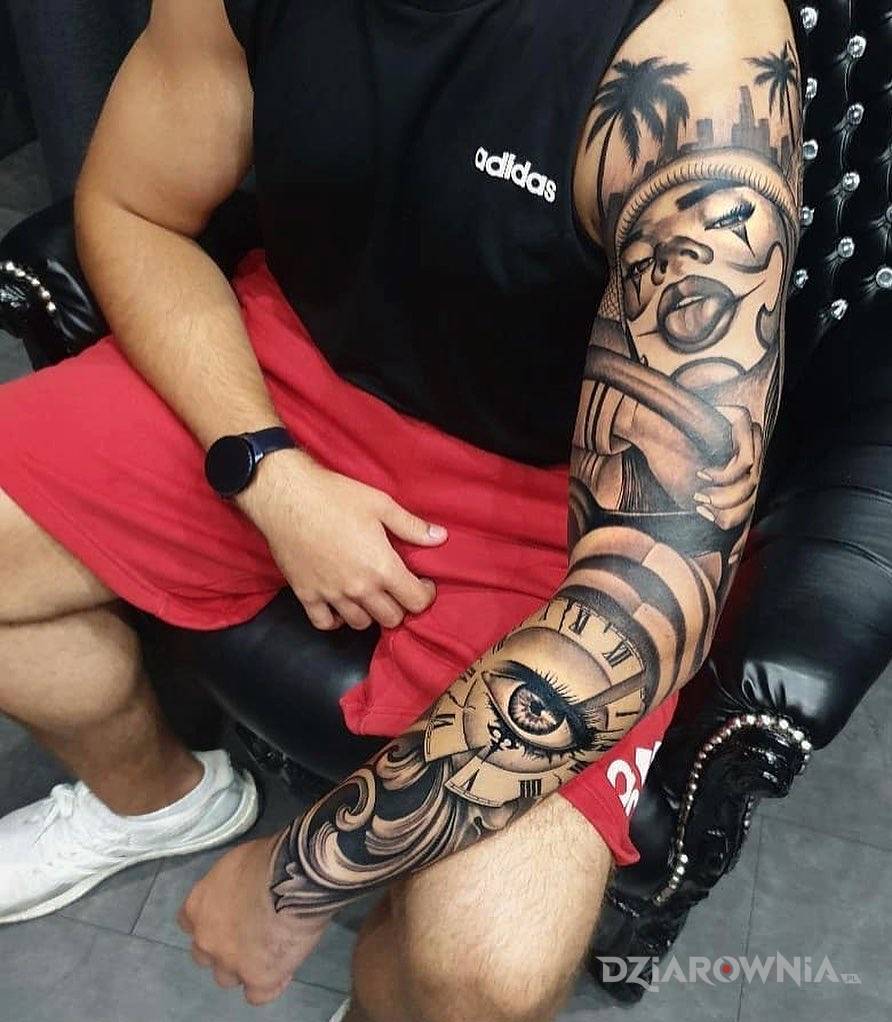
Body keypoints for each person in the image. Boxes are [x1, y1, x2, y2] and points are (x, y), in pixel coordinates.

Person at [0, 0, 802, 1017]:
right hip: (281, 376)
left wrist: (297, 874)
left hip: (567, 489)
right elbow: (133, 209)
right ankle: (154, 802)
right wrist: (266, 469)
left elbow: (649, 598)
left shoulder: (697, 56)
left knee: (486, 970)